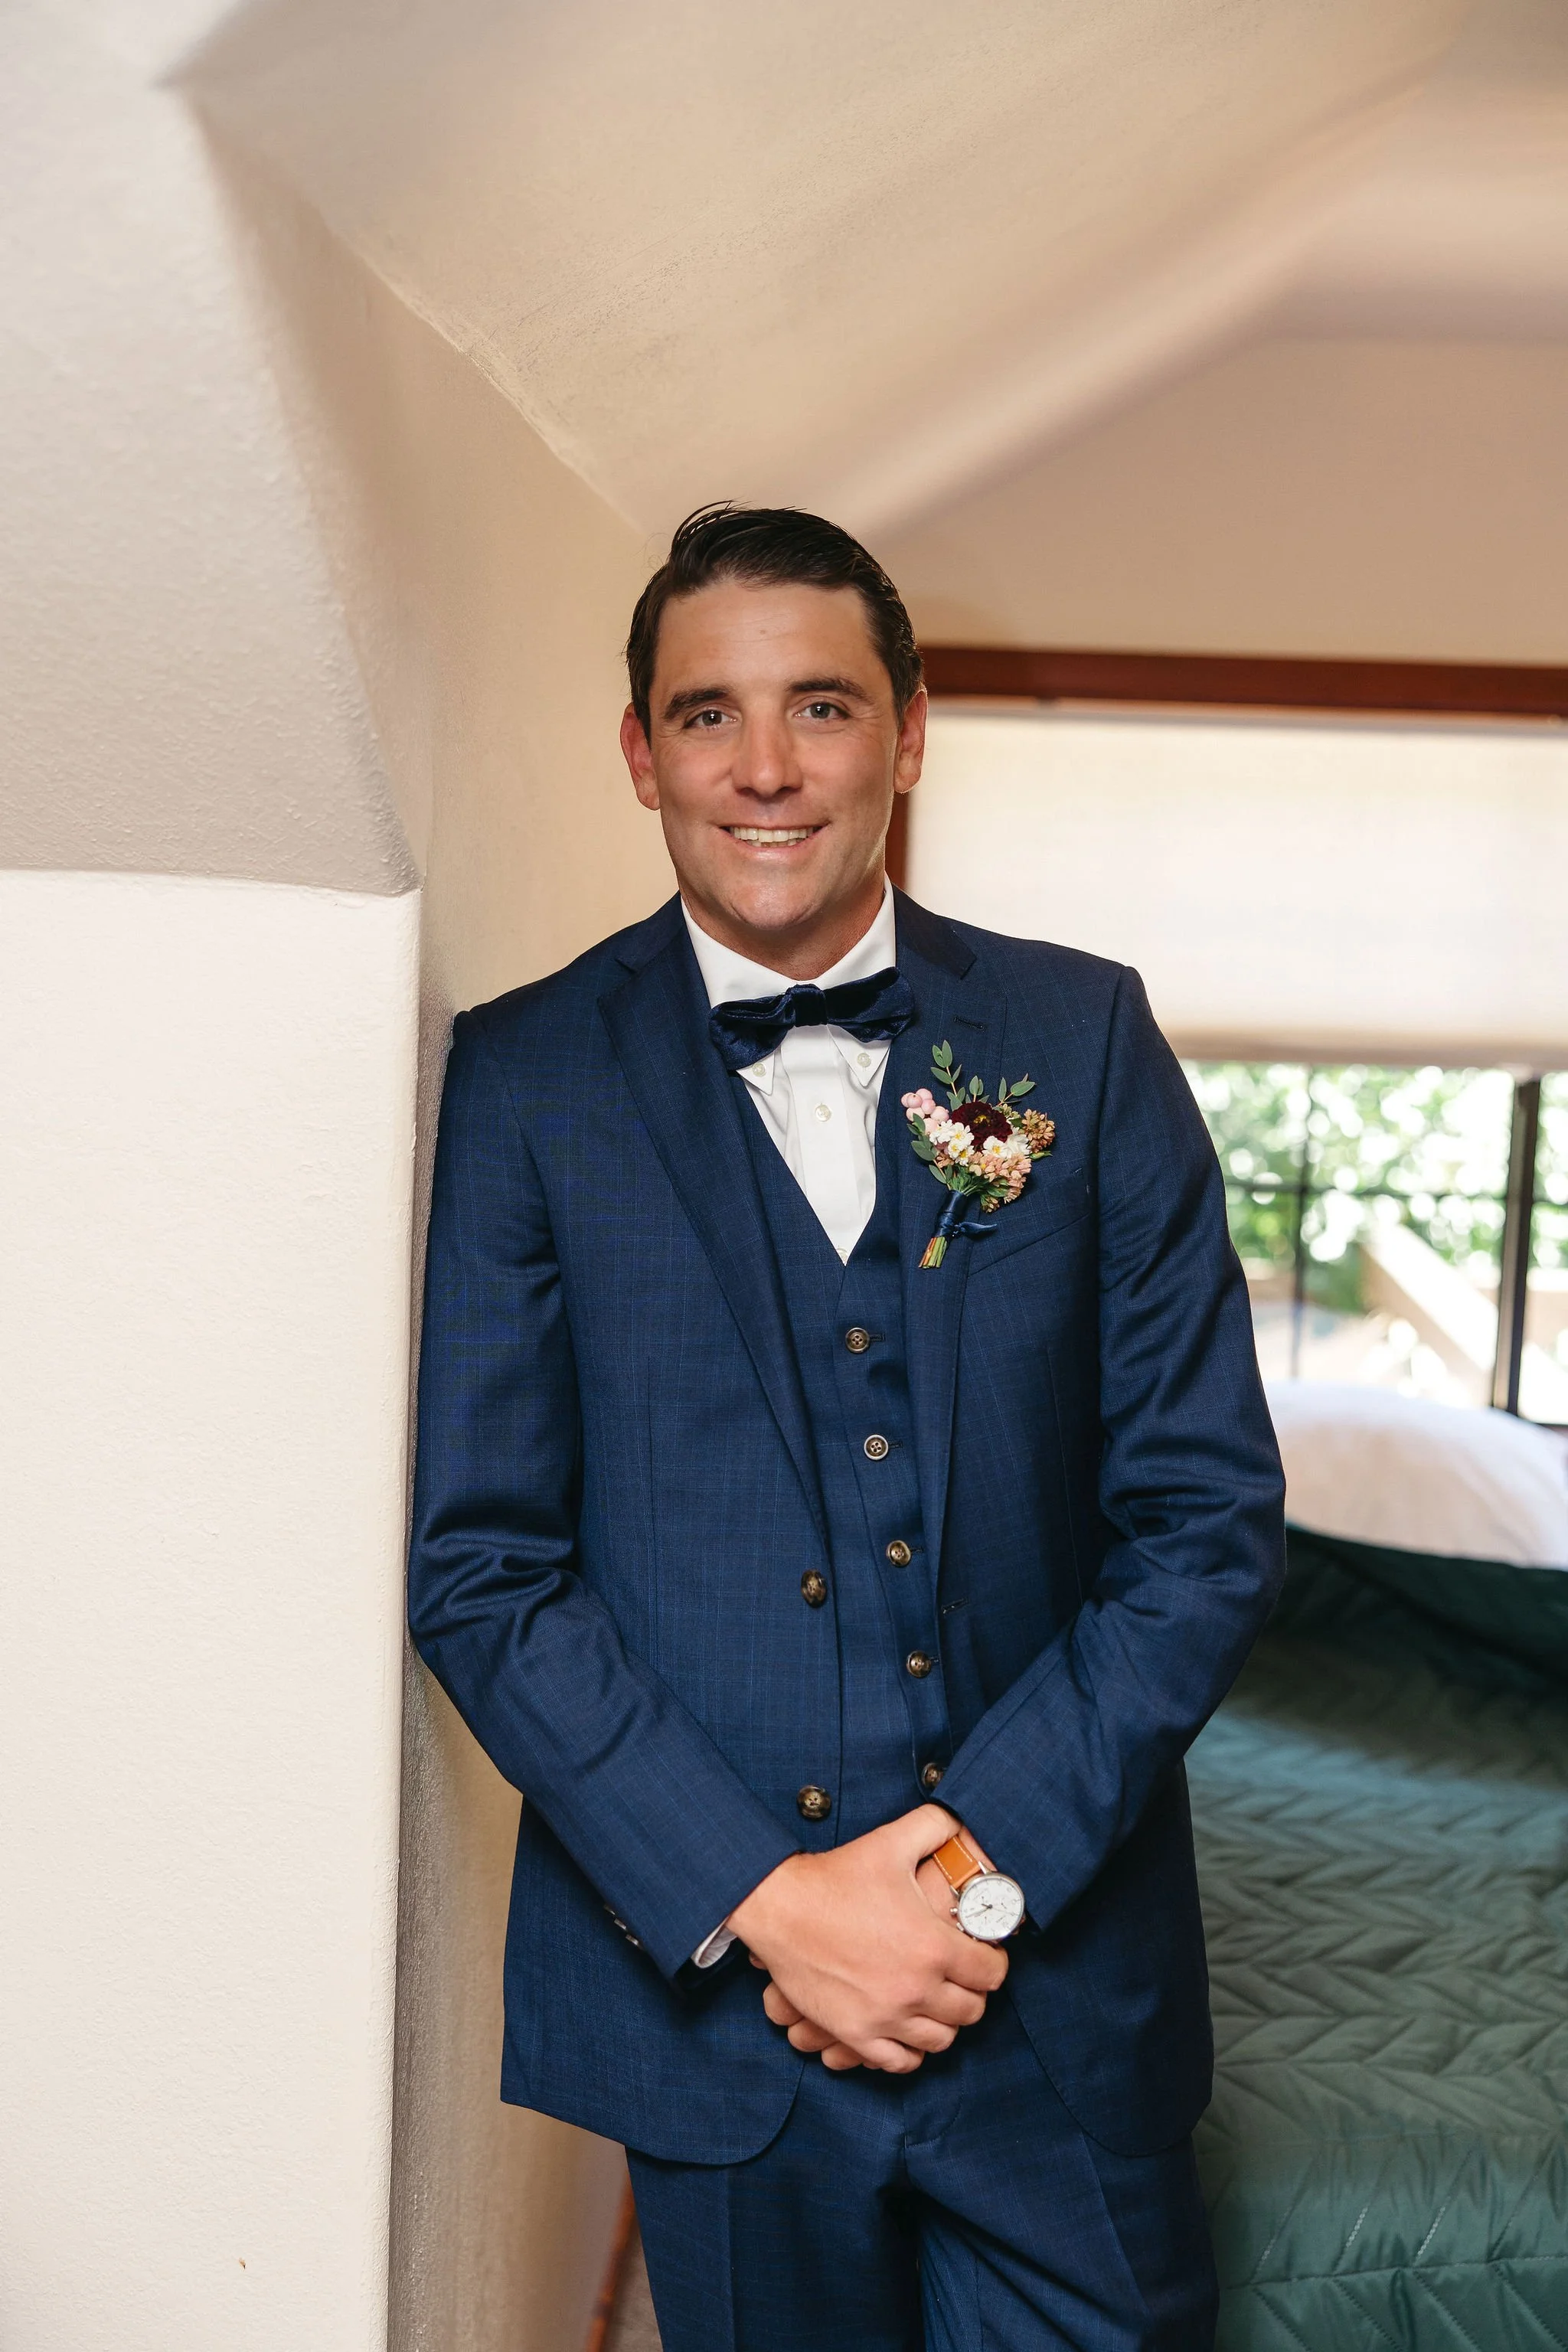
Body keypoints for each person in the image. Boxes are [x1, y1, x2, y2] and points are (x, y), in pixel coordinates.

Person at [407, 505, 1286, 2350]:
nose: (767, 768)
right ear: (642, 752)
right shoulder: (524, 1075)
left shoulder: (1080, 1037)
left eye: (821, 705)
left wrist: (960, 1877)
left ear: (905, 729)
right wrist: (773, 1904)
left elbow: (1201, 1519)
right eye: (707, 715)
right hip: (718, 2016)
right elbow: (484, 1571)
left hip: (1054, 2010)